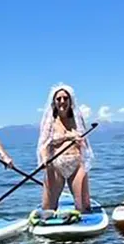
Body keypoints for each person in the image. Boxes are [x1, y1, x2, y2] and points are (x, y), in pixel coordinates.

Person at [37, 84, 92, 212]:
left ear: (70, 100)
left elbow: (84, 142)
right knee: (48, 209)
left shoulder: (77, 119)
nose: (62, 101)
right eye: (59, 99)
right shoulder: (50, 120)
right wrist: (44, 159)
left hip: (76, 164)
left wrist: (79, 140)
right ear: (54, 102)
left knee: (83, 207)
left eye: (65, 98)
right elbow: (44, 144)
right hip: (56, 165)